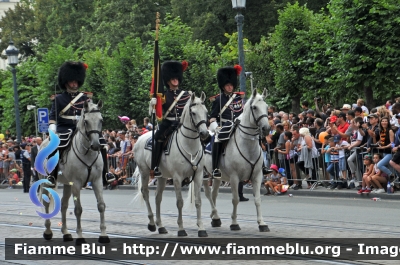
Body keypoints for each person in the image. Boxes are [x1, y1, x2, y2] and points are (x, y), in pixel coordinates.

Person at [47, 61, 113, 186]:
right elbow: (52, 117)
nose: (74, 84)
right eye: (72, 81)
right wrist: (52, 129)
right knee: (55, 146)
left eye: (76, 81)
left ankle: (106, 173)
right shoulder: (59, 99)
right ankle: (52, 175)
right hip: (65, 127)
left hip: (83, 127)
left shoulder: (85, 98)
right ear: (66, 82)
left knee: (102, 144)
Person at [150, 60, 190, 177]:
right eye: (173, 78)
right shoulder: (163, 96)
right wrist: (153, 104)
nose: (175, 80)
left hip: (183, 124)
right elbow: (156, 112)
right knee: (158, 138)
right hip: (168, 123)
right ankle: (155, 165)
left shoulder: (186, 94)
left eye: (176, 78)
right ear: (168, 80)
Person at [209, 65, 244, 178]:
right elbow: (212, 118)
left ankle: (261, 166)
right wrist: (216, 128)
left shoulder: (238, 98)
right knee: (217, 140)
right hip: (224, 126)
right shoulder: (219, 99)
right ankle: (215, 168)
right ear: (223, 86)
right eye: (227, 85)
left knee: (255, 137)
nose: (230, 87)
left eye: (231, 85)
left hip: (239, 125)